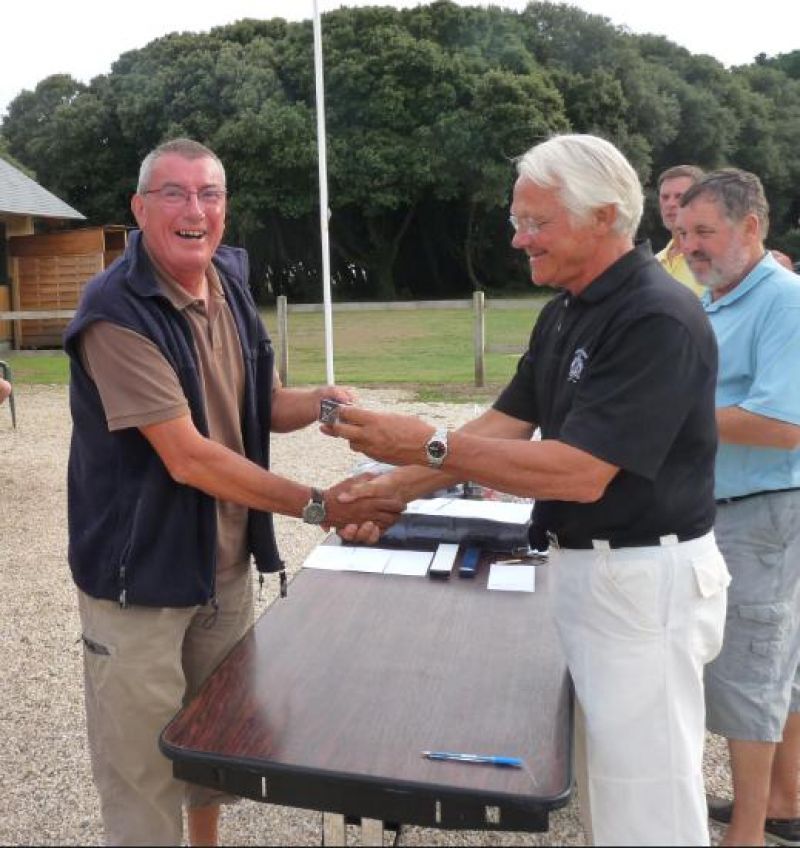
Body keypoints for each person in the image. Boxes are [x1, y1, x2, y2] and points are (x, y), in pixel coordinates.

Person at [329, 134, 730, 846]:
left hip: (644, 581)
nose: (518, 239)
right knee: (608, 788)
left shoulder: (655, 317)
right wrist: (391, 489)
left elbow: (581, 471)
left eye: (535, 221)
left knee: (649, 803)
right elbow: (507, 424)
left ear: (604, 216)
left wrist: (423, 444)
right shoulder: (569, 308)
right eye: (517, 220)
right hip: (595, 572)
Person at [63, 137, 403, 847]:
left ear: (224, 207)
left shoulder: (228, 283)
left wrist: (324, 403)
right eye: (174, 194)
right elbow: (188, 457)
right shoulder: (116, 311)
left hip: (222, 568)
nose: (195, 210)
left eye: (209, 194)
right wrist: (321, 504)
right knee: (142, 777)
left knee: (213, 749)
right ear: (139, 209)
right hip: (138, 582)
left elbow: (261, 403)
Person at [676, 169, 800, 848]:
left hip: (759, 512)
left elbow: (784, 425)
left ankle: (746, 834)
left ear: (751, 227)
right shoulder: (717, 299)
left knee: (751, 667)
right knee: (778, 662)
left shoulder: (784, 301)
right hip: (726, 507)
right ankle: (781, 801)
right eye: (682, 232)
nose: (689, 245)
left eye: (704, 231)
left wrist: (670, 415)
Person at [655, 164, 705, 295]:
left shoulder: (713, 260)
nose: (670, 204)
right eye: (665, 197)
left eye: (679, 196)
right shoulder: (655, 263)